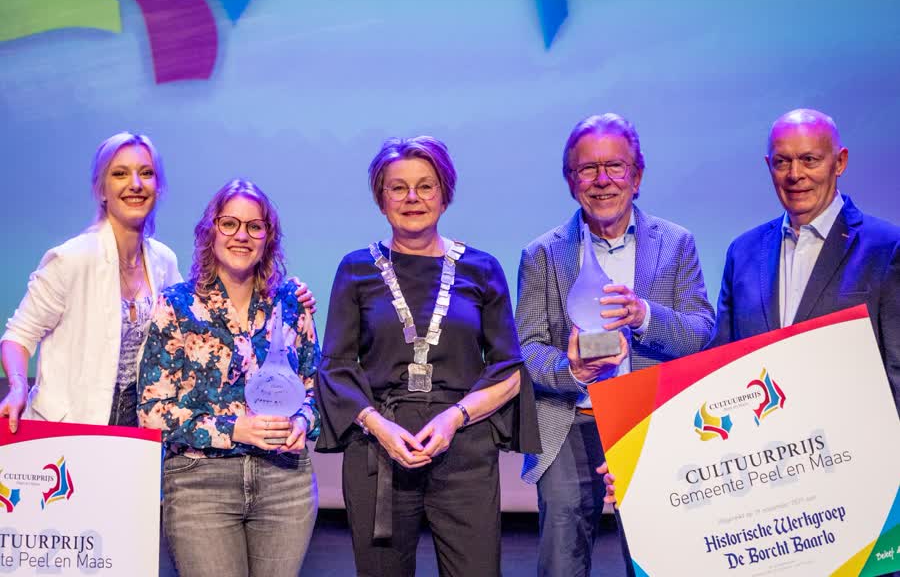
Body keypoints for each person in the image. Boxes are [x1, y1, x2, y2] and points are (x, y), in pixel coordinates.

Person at [315, 136, 540, 577]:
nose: (412, 198)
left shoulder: (482, 268)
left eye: (425, 186)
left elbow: (509, 370)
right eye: (398, 188)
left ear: (445, 194)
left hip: (464, 446)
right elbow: (335, 367)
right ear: (381, 199)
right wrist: (380, 428)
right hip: (380, 448)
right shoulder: (355, 268)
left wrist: (454, 418)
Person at [515, 113, 715, 576]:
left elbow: (702, 331)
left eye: (615, 167)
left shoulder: (676, 243)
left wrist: (644, 315)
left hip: (652, 422)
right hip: (571, 421)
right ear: (571, 180)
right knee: (561, 562)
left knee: (660, 561)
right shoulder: (542, 253)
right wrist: (572, 371)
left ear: (637, 176)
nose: (602, 180)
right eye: (588, 169)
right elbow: (527, 348)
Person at [138, 179, 320, 577]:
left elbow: (314, 390)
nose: (242, 235)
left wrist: (302, 423)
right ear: (211, 231)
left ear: (268, 237)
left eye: (255, 226)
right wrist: (236, 429)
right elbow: (152, 412)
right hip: (201, 481)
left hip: (284, 480)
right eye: (229, 224)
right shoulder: (177, 305)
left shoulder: (291, 303)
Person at [711, 108, 900, 413]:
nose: (795, 174)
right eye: (782, 162)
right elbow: (719, 367)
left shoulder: (887, 248)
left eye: (809, 159)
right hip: (765, 439)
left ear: (840, 162)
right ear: (768, 166)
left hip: (854, 438)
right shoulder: (743, 252)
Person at [0, 132, 182, 429]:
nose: (135, 184)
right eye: (120, 173)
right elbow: (18, 336)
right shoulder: (70, 259)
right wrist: (18, 386)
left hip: (136, 428)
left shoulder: (165, 261)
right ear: (102, 190)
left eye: (146, 173)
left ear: (158, 187)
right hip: (69, 426)